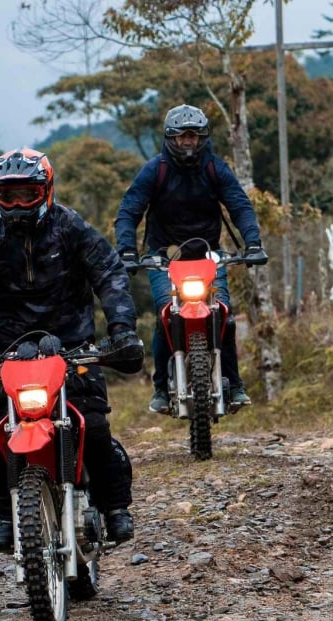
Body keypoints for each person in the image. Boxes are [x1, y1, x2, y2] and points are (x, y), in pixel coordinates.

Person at [0, 147, 144, 553]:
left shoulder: (71, 228)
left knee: (94, 428)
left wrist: (121, 332)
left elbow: (110, 274)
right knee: (2, 437)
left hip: (74, 345)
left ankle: (115, 507)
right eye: (7, 196)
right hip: (7, 352)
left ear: (46, 191)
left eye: (27, 194)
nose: (17, 205)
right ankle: (8, 515)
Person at [113, 104, 268, 413]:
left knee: (224, 313)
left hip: (208, 255)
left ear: (203, 139)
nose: (188, 143)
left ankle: (234, 384)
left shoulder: (215, 169)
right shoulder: (154, 170)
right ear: (170, 138)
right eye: (182, 137)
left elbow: (240, 206)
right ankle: (160, 387)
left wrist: (253, 243)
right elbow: (128, 211)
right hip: (163, 257)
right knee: (165, 315)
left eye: (194, 137)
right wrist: (127, 251)